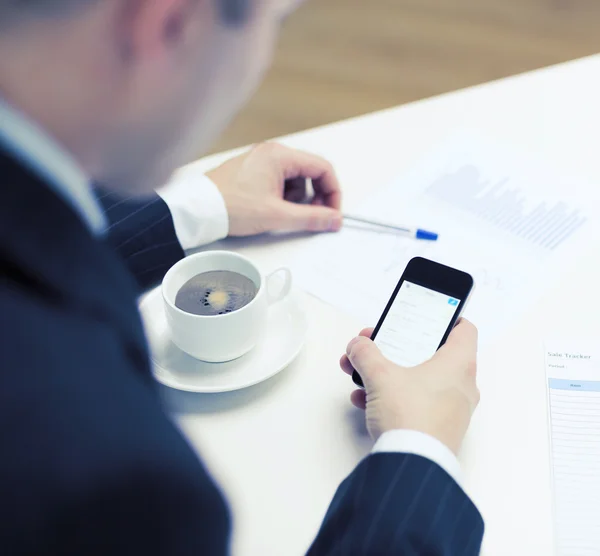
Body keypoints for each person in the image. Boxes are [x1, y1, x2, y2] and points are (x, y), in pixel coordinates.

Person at [0, 1, 484, 554]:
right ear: (169, 24)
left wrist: (201, 205)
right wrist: (418, 451)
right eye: (275, 22)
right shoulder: (119, 482)